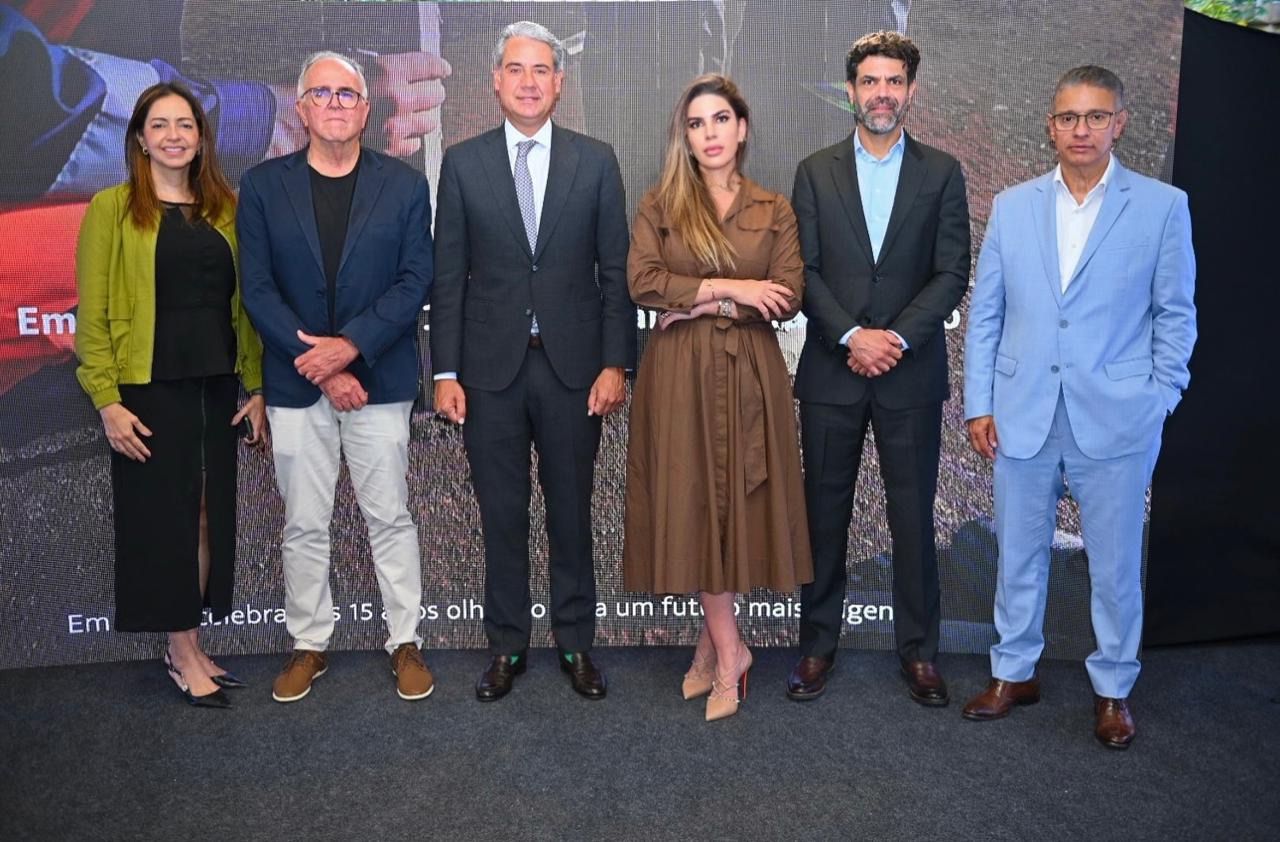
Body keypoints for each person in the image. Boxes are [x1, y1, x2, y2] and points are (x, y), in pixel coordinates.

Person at [961, 66, 1196, 749]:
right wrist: (980, 403)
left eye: (1095, 116)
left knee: (1116, 568)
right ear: (1051, 126)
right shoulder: (1013, 206)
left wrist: (1159, 398)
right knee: (1018, 554)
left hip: (1118, 416)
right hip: (1024, 412)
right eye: (1068, 117)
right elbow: (987, 314)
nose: (1081, 129)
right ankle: (1012, 673)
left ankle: (1114, 688)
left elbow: (1175, 315)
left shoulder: (1162, 207)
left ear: (1119, 123)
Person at [430, 21, 634, 702]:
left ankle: (576, 642)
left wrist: (615, 363)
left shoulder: (595, 161)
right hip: (489, 373)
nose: (528, 81)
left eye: (541, 69)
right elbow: (449, 276)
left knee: (572, 514)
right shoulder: (462, 163)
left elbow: (615, 273)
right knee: (501, 515)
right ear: (495, 81)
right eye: (515, 69)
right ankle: (507, 647)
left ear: (559, 82)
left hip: (575, 371)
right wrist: (445, 372)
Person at [237, 52, 434, 703]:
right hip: (298, 386)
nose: (334, 104)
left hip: (378, 379)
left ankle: (405, 641)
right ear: (301, 108)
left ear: (366, 109)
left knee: (391, 517)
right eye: (320, 93)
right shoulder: (262, 186)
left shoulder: (404, 185)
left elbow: (415, 281)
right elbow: (257, 290)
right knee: (303, 522)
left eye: (347, 94)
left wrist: (349, 348)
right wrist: (323, 369)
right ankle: (309, 644)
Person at [788, 31, 971, 704]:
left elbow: (952, 272)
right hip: (832, 372)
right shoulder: (815, 171)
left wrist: (892, 338)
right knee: (823, 515)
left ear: (911, 90)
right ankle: (816, 647)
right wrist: (850, 336)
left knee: (913, 519)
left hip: (908, 373)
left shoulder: (941, 172)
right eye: (870, 81)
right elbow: (803, 271)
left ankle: (919, 654)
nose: (882, 93)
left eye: (894, 81)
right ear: (851, 91)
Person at [624, 74, 813, 721]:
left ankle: (715, 649)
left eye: (721, 119)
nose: (710, 133)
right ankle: (734, 653)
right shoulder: (661, 205)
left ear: (743, 128)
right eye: (697, 123)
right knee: (698, 504)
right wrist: (733, 288)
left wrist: (703, 300)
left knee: (736, 507)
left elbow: (786, 293)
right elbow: (644, 281)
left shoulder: (774, 208)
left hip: (751, 374)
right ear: (686, 136)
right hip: (680, 376)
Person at [74, 82, 267, 708]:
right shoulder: (110, 208)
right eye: (160, 125)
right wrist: (107, 400)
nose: (174, 136)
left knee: (208, 515)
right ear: (140, 138)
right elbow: (91, 315)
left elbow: (246, 307)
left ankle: (191, 643)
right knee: (167, 523)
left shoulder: (225, 208)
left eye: (185, 124)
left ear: (202, 138)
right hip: (147, 392)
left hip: (215, 386)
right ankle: (182, 652)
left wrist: (256, 385)